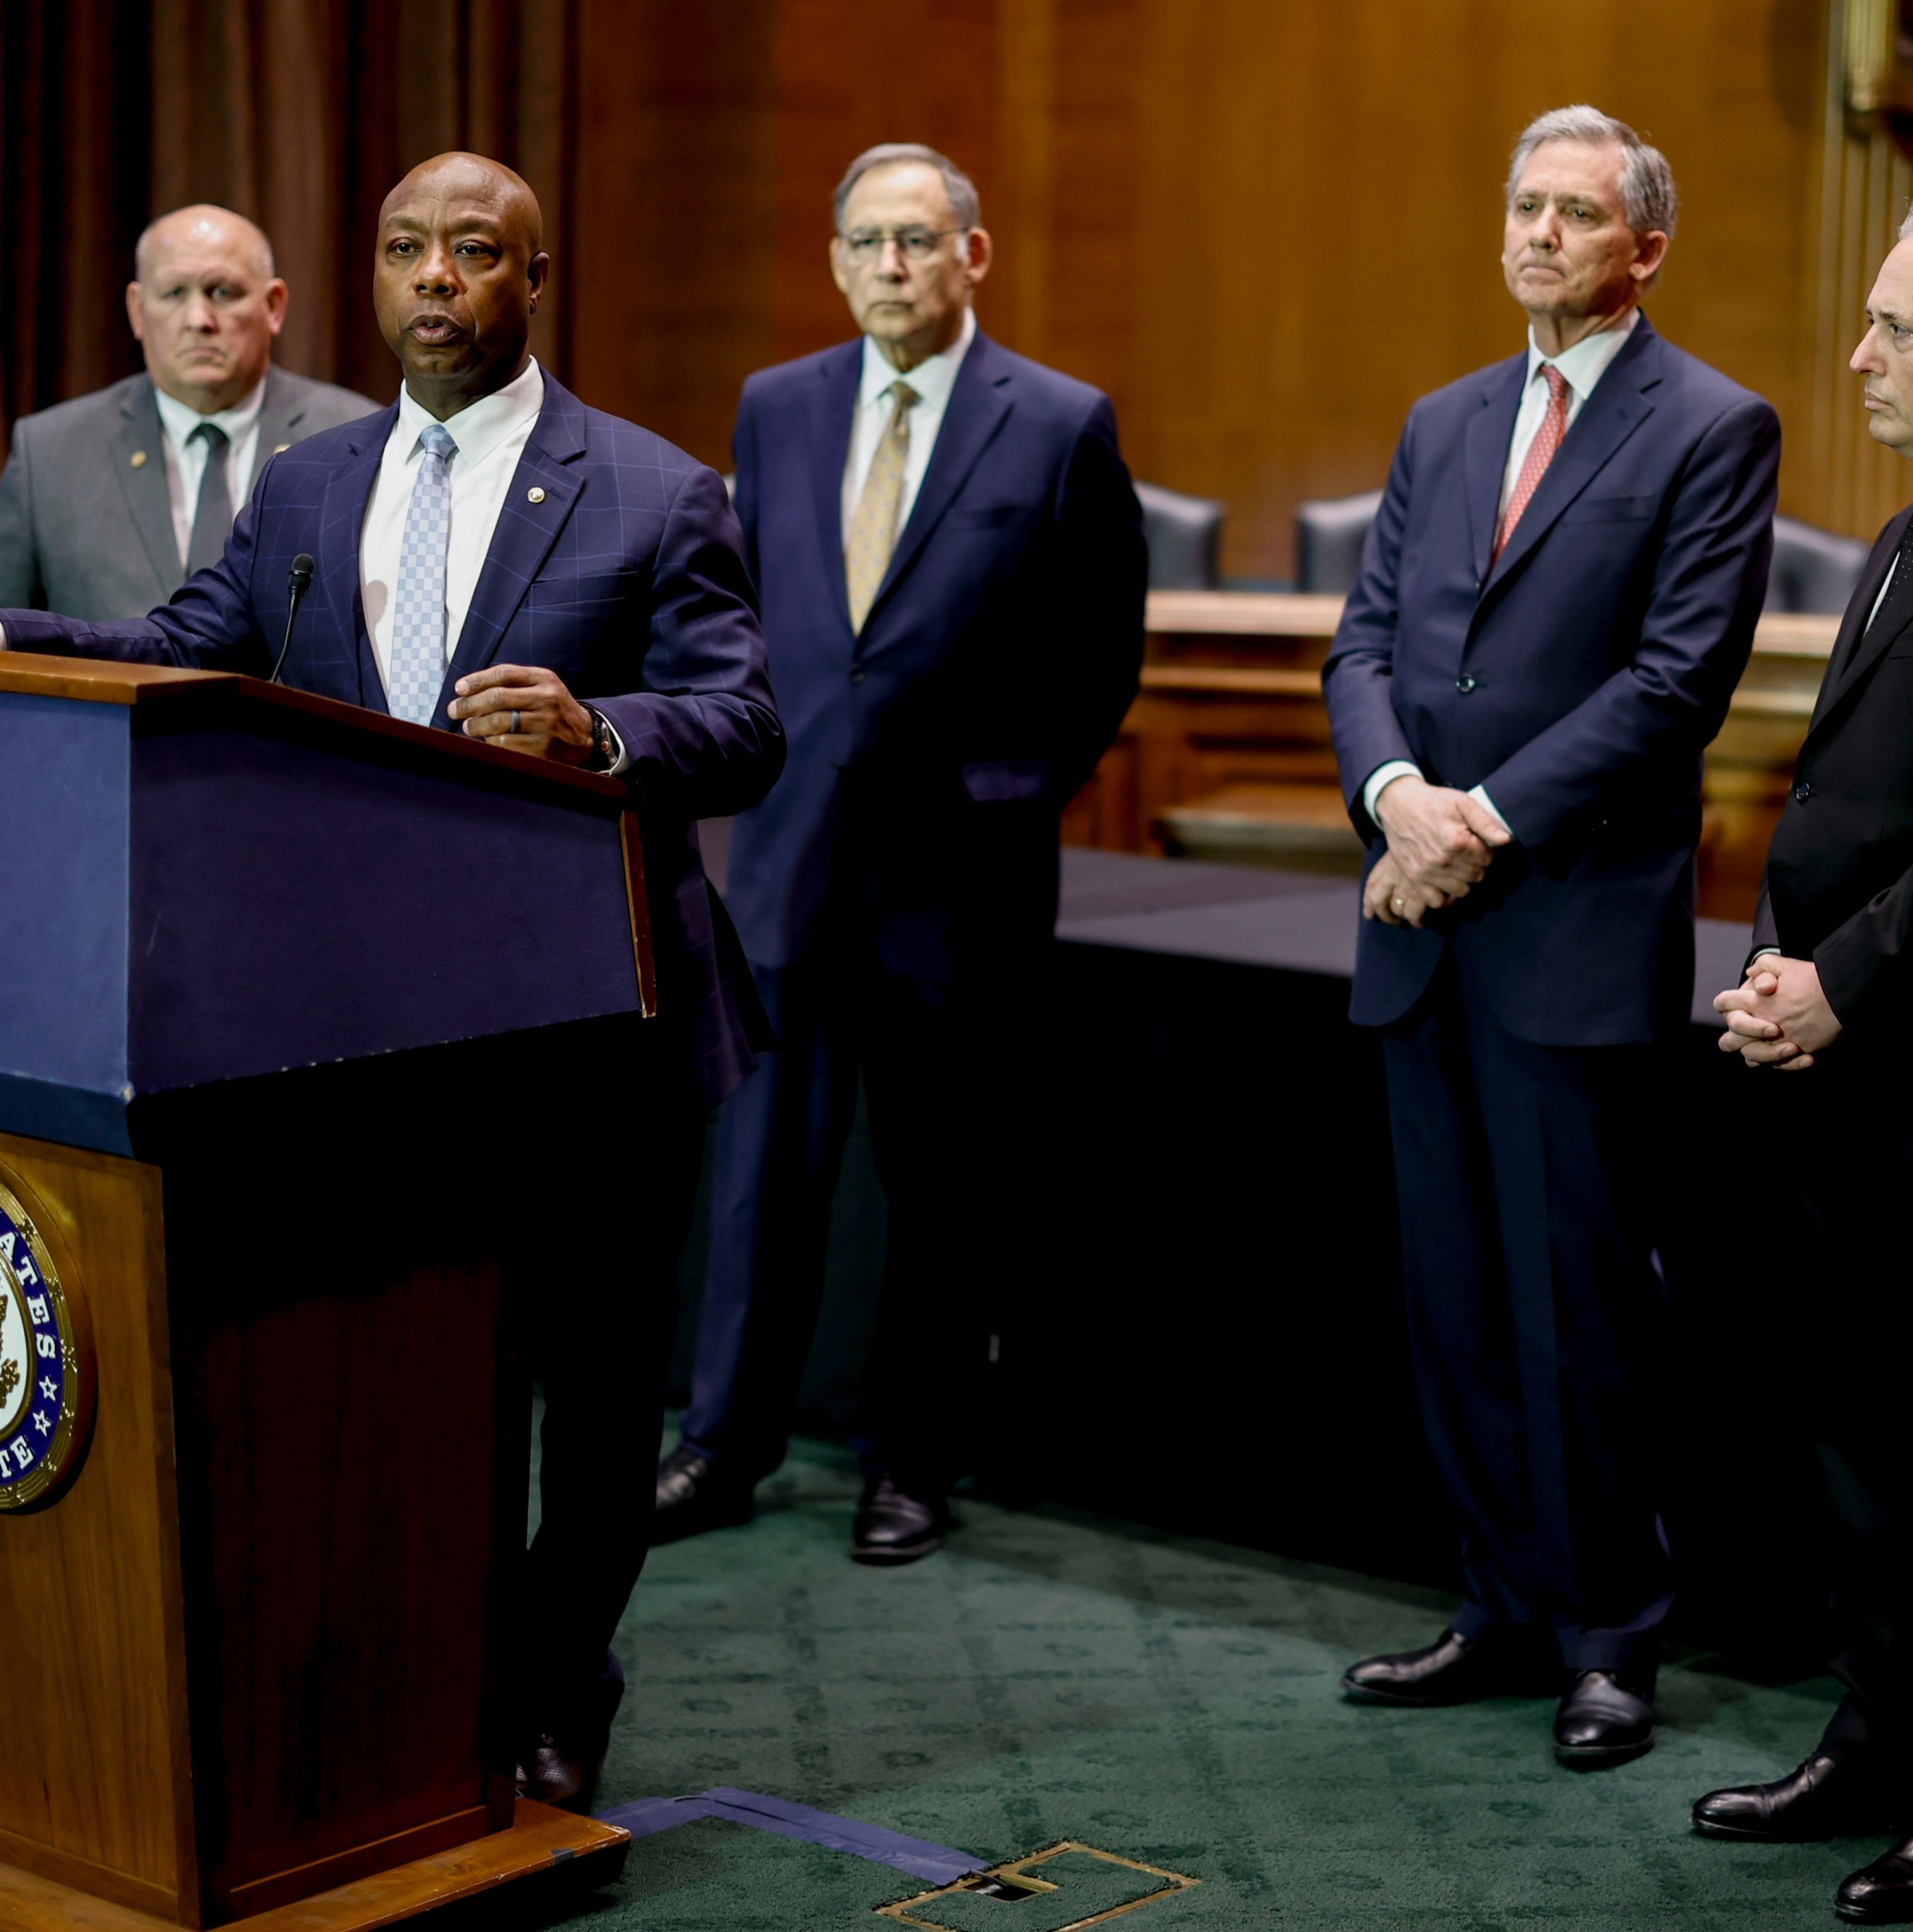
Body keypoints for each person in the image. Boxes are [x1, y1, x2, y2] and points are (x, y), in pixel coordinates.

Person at [0, 151, 784, 1814]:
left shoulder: (654, 491)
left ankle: (564, 1689)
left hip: (596, 1032)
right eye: (406, 249)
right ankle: (414, 1684)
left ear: (533, 279)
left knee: (586, 1401)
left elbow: (748, 723)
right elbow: (177, 642)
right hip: (371, 1032)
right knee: (406, 1387)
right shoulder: (307, 485)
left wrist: (606, 731)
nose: (435, 278)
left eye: (474, 253)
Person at [1321, 104, 1779, 1767]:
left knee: (1579, 1303)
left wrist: (1476, 822)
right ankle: (1500, 1605)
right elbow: (1364, 639)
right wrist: (1392, 795)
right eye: (1523, 206)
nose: (1538, 235)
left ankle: (1609, 1637)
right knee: (1454, 1299)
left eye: (1575, 215)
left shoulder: (1714, 425)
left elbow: (1675, 685)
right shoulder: (1444, 422)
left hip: (1568, 922)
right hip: (1422, 921)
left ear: (1642, 247)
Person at [655, 141, 1145, 1565]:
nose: (891, 267)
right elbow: (756, 617)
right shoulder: (777, 404)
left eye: (918, 242)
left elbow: (1098, 652)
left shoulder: (1057, 422)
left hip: (962, 869)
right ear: (835, 262)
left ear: (971, 255)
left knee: (939, 1177)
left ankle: (910, 1462)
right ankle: (724, 1439)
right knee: (763, 1167)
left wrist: (1009, 790)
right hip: (791, 854)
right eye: (865, 243)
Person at [1698, 214, 1913, 1926]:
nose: (1859, 358)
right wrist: (1788, 975)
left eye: (1893, 329)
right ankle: (1880, 1737)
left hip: (1907, 1046)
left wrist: (1844, 975)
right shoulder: (1905, 531)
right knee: (1865, 1441)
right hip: (1851, 1074)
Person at [0, 204, 376, 620]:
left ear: (274, 306)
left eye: (222, 292)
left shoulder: (355, 438)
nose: (199, 319)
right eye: (175, 294)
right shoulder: (50, 454)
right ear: (137, 310)